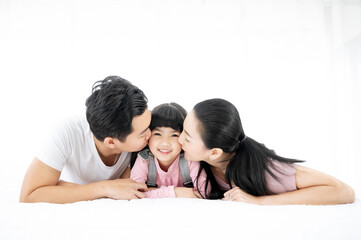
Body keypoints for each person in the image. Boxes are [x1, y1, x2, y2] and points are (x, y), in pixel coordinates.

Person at [178, 98, 355, 205]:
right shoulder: (193, 159)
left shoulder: (267, 171)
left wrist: (259, 202)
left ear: (214, 153)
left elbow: (344, 191)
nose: (178, 141)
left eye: (186, 138)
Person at [19, 76, 151, 203]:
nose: (151, 134)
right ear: (111, 142)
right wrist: (106, 188)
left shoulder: (145, 127)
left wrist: (64, 188)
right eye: (143, 133)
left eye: (149, 126)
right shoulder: (67, 133)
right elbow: (30, 195)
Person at [130, 103, 206, 198]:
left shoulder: (189, 159)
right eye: (157, 134)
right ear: (148, 135)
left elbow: (203, 192)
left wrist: (151, 192)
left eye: (174, 135)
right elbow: (135, 192)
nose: (165, 143)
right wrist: (176, 192)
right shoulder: (144, 159)